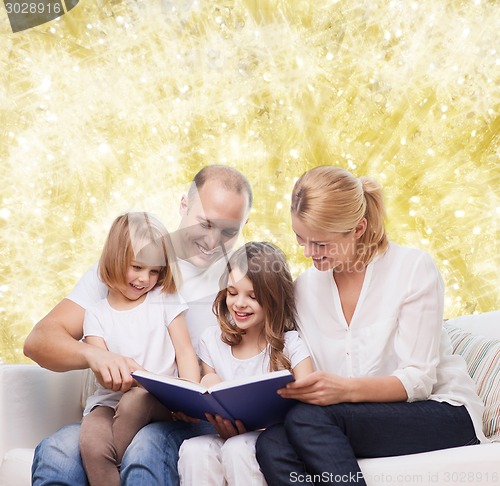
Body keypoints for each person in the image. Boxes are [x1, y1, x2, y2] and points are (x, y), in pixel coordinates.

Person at [255, 166, 487, 485]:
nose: (309, 254)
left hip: (441, 411)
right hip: (345, 419)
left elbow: (419, 379)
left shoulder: (412, 269)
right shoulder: (305, 289)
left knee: (308, 419)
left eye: (321, 244)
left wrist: (343, 390)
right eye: (300, 239)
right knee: (271, 444)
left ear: (358, 228)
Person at [24, 165, 252, 485]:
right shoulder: (125, 267)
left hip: (184, 420)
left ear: (244, 226)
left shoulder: (243, 286)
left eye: (228, 231)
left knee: (145, 448)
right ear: (184, 205)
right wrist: (95, 355)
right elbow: (39, 341)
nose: (213, 240)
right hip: (115, 411)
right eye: (205, 223)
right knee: (57, 452)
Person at [178, 242, 313, 486]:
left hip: (272, 439)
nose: (239, 303)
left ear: (273, 300)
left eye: (252, 297)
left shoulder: (291, 344)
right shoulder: (212, 340)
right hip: (224, 434)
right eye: (232, 293)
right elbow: (210, 395)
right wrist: (208, 381)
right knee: (194, 449)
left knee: (239, 448)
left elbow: (309, 404)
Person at [80, 212, 200, 486]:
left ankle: (120, 463)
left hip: (159, 400)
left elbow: (185, 352)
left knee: (137, 399)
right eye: (137, 267)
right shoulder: (96, 313)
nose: (145, 279)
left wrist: (190, 397)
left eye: (154, 271)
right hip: (110, 401)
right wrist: (126, 372)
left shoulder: (164, 298)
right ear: (115, 259)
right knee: (91, 443)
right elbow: (103, 371)